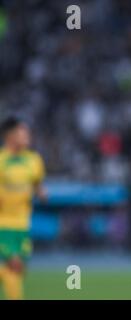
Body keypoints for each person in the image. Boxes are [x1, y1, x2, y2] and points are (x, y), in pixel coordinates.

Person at [0, 117, 46, 300]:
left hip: (23, 225)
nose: (27, 136)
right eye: (22, 133)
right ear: (10, 136)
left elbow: (38, 185)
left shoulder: (34, 160)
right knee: (15, 266)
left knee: (19, 270)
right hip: (3, 224)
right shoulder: (1, 160)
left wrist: (42, 193)